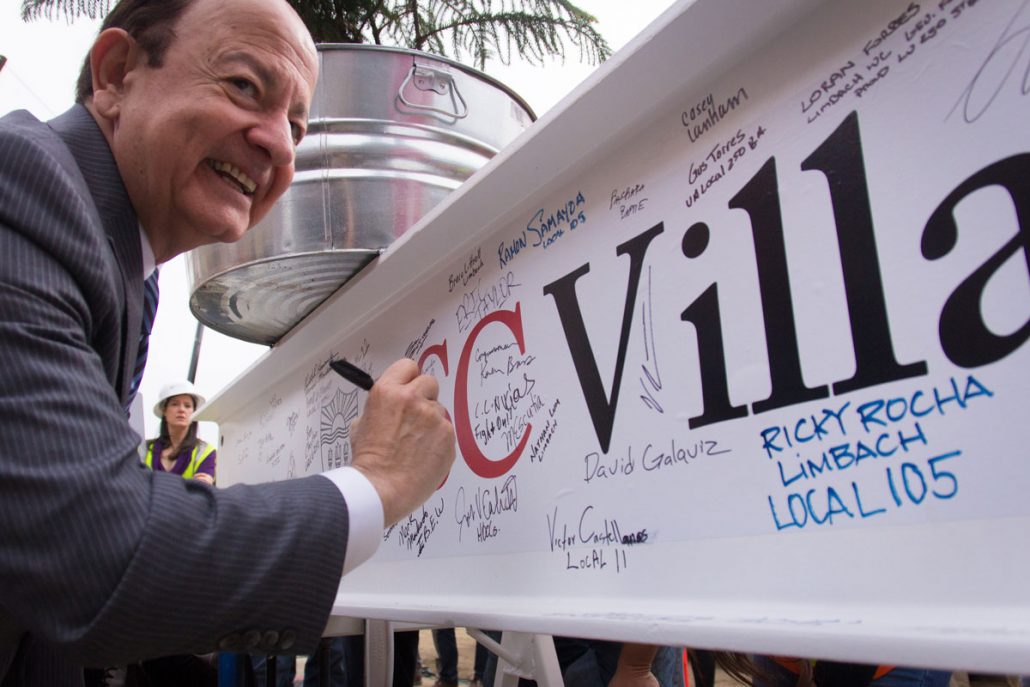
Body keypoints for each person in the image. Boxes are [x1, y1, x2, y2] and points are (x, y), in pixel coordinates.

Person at [0, 0, 456, 683]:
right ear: (117, 72)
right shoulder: (22, 185)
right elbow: (96, 555)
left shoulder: (132, 274)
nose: (278, 143)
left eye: (298, 127)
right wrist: (378, 482)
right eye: (245, 87)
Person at [143, 381, 216, 484]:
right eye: (175, 404)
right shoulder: (142, 450)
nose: (181, 409)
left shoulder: (206, 453)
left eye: (187, 406)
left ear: (194, 412)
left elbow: (201, 495)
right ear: (164, 410)